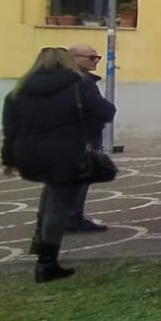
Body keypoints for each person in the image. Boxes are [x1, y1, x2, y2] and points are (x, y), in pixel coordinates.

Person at [1, 47, 117, 282]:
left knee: (50, 196)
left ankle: (38, 243)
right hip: (66, 153)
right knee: (59, 205)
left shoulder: (20, 88)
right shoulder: (79, 84)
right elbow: (105, 111)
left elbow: (10, 128)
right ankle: (47, 262)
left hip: (29, 153)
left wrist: (9, 159)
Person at [61, 42, 110, 232]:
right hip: (83, 138)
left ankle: (64, 218)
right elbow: (100, 109)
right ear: (74, 59)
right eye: (91, 58)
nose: (96, 61)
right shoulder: (83, 82)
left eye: (97, 57)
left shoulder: (61, 80)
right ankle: (72, 220)